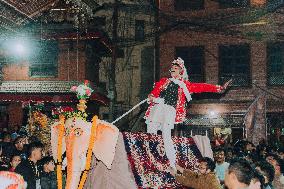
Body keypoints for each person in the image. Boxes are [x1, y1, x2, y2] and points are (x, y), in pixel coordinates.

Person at [144, 57, 232, 169]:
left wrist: (218, 88)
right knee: (151, 131)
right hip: (158, 107)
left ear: (181, 71)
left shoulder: (184, 85)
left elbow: (202, 87)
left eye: (175, 68)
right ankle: (150, 155)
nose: (173, 69)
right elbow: (154, 92)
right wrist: (151, 96)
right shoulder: (163, 81)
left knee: (166, 136)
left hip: (169, 111)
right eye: (172, 68)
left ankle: (171, 163)